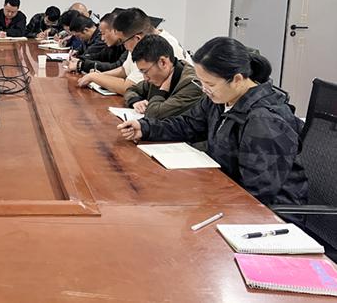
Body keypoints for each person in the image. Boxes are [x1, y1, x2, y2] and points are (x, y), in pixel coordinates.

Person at [117, 37, 307, 206]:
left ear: (237, 79)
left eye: (210, 84)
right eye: (202, 82)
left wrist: (202, 195)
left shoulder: (264, 121)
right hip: (224, 191)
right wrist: (145, 128)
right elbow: (188, 125)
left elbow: (258, 192)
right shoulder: (221, 98)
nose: (204, 89)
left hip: (270, 217)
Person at [77, 8, 188, 95]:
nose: (123, 46)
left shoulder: (160, 45)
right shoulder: (139, 41)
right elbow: (124, 70)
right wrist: (99, 75)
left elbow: (129, 87)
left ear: (137, 38)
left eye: (122, 41)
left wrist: (95, 77)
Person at [123, 34, 203, 119]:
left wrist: (161, 92)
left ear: (163, 62)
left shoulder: (192, 85)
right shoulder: (161, 76)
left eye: (145, 71)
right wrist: (135, 101)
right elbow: (131, 90)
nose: (145, 78)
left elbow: (154, 114)